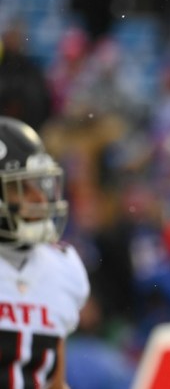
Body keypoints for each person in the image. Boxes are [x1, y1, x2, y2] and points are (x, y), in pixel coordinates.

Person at [0, 116, 90, 388]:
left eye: (38, 184)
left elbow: (56, 382)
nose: (39, 198)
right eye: (21, 188)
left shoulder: (63, 267)